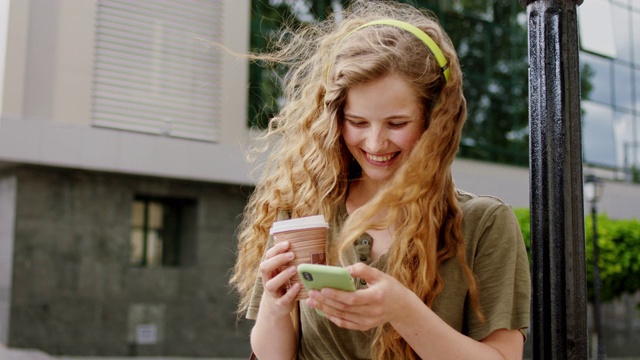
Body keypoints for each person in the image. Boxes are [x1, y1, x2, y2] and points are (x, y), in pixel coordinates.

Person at [230, 1, 531, 359]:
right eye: (357, 122)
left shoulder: (485, 223)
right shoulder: (302, 211)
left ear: (435, 120)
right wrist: (275, 308)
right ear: (336, 120)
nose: (374, 144)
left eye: (396, 124)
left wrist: (403, 311)